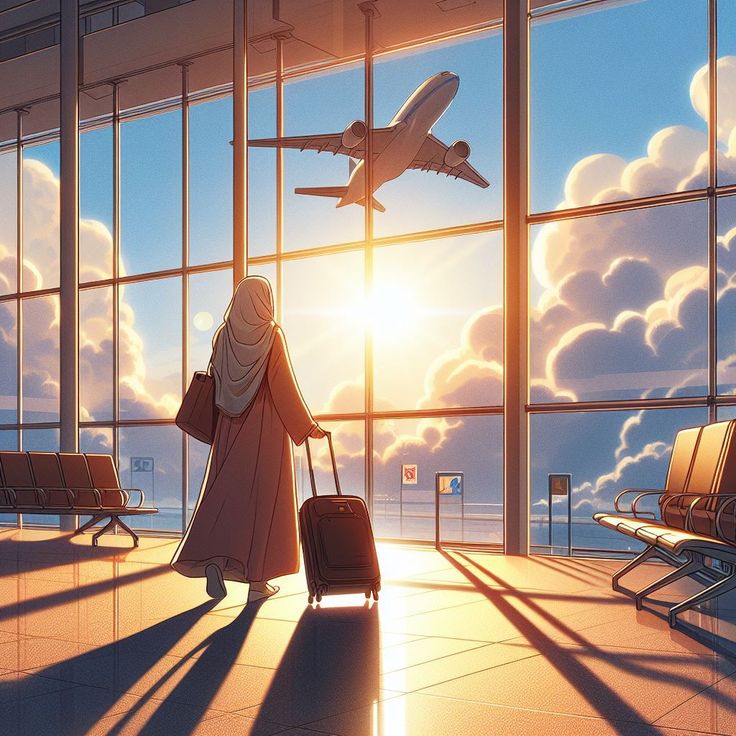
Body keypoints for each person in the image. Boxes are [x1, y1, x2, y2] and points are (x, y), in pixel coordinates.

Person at [171, 276, 325, 601]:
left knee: (226, 496)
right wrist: (306, 425)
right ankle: (257, 583)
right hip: (265, 426)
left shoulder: (223, 335)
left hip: (229, 425)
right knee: (264, 503)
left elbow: (217, 379)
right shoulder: (272, 335)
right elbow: (282, 384)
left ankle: (214, 559)